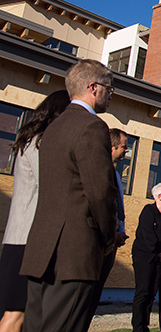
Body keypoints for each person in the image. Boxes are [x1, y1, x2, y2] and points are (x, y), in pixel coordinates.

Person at [20, 59, 117, 332]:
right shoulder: (92, 126)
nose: (111, 95)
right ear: (93, 87)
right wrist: (109, 236)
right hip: (75, 254)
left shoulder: (52, 128)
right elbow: (100, 192)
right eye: (110, 88)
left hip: (42, 250)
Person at [0, 90, 70, 332]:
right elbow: (50, 185)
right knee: (16, 312)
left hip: (19, 237)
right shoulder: (41, 143)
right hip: (29, 239)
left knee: (19, 311)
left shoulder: (28, 140)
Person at [87, 128, 131, 321]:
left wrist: (120, 232)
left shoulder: (116, 175)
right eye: (124, 147)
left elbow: (117, 207)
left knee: (95, 293)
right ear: (112, 147)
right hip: (100, 242)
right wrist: (111, 235)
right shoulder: (101, 172)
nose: (127, 151)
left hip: (112, 242)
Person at [131, 180, 161, 332]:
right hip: (145, 256)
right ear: (159, 196)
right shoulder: (149, 211)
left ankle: (145, 326)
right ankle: (138, 327)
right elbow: (148, 235)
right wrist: (159, 252)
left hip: (160, 259)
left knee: (152, 293)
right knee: (143, 291)